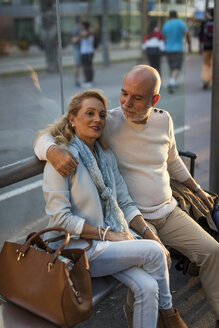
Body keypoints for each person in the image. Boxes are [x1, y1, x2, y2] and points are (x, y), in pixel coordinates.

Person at [34, 65, 219, 328]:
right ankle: (163, 317)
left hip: (163, 212)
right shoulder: (104, 125)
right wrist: (52, 151)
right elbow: (47, 135)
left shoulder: (160, 121)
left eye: (136, 97)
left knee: (212, 252)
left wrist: (198, 189)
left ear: (154, 100)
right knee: (152, 264)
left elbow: (172, 161)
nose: (126, 103)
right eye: (123, 94)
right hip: (119, 227)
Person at [162, 10, 189, 93]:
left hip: (168, 48)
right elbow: (187, 33)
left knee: (171, 66)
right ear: (176, 15)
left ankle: (172, 81)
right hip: (178, 48)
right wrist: (189, 45)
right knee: (177, 66)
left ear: (169, 16)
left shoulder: (166, 24)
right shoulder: (181, 23)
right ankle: (172, 81)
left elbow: (164, 37)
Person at [199, 8, 214, 90]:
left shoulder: (205, 22)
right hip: (216, 46)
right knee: (214, 64)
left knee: (206, 64)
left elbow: (201, 35)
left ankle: (205, 80)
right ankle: (213, 81)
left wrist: (200, 47)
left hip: (207, 46)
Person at [71, 16, 82, 88]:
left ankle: (85, 81)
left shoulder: (80, 28)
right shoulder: (76, 29)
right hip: (77, 49)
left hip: (81, 49)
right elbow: (73, 40)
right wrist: (81, 36)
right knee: (77, 65)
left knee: (81, 65)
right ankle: (76, 81)